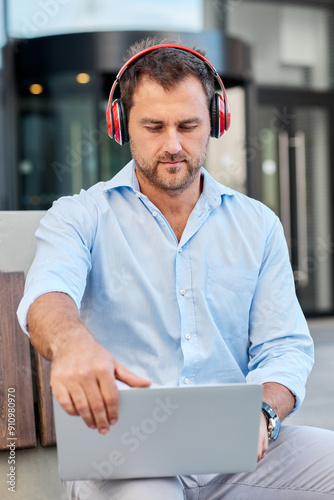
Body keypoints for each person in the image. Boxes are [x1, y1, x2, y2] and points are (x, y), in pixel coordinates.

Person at [18, 38, 334, 499]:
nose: (172, 145)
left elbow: (284, 347)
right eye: (153, 126)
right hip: (123, 457)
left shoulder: (258, 224)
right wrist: (72, 346)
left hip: (235, 455)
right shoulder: (79, 215)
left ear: (216, 122)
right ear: (120, 124)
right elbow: (47, 294)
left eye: (188, 125)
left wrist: (263, 412)